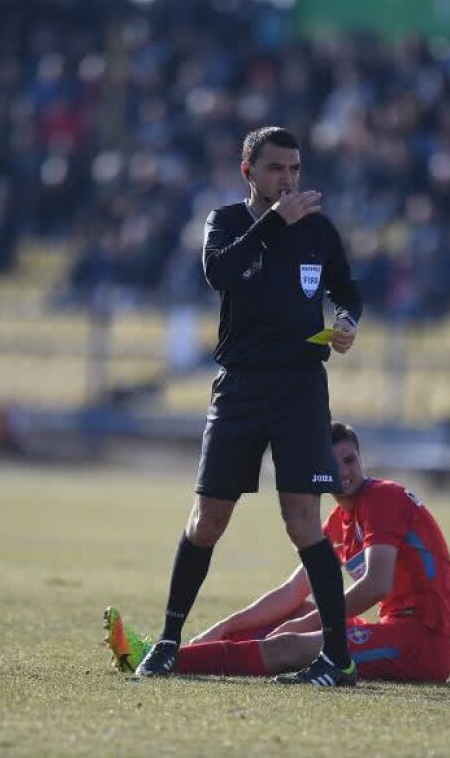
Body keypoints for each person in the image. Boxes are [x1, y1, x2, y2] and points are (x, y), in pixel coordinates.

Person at [133, 126, 364, 686]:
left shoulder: (319, 229)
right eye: (275, 169)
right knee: (208, 520)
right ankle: (168, 641)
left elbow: (347, 290)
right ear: (248, 172)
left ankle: (337, 658)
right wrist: (272, 224)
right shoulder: (228, 222)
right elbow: (220, 272)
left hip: (301, 388)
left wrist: (347, 322)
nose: (287, 180)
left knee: (303, 521)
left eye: (294, 170)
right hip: (240, 387)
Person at [104, 422, 450, 684]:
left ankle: (164, 662)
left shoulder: (382, 498)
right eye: (333, 463)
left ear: (362, 460)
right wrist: (223, 627)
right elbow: (290, 593)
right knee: (286, 615)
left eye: (350, 459)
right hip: (396, 628)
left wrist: (305, 623)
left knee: (291, 641)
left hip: (424, 641)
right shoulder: (339, 521)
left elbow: (376, 584)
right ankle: (173, 651)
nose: (344, 470)